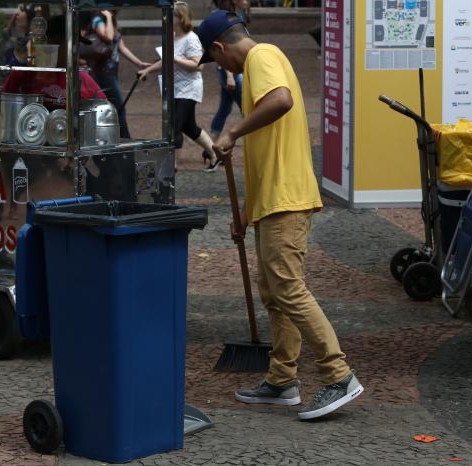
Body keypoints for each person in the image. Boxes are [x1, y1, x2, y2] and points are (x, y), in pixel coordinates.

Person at [198, 10, 363, 420]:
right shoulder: (259, 64)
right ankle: (281, 379)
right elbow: (267, 150)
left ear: (219, 48)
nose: (218, 67)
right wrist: (247, 215)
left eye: (214, 60)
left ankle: (338, 376)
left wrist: (233, 131)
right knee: (273, 291)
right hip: (273, 201)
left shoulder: (262, 56)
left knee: (288, 288)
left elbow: (282, 100)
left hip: (287, 198)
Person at [137, 1, 221, 171]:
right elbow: (165, 59)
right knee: (190, 127)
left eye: (171, 15)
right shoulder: (173, 37)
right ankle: (214, 154)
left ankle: (171, 164)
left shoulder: (192, 38)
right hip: (175, 88)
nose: (167, 18)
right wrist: (147, 71)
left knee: (174, 125)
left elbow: (199, 65)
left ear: (180, 17)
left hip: (189, 88)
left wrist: (175, 59)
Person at [84, 10, 151, 139]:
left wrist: (139, 63)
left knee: (115, 108)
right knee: (118, 107)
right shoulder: (98, 20)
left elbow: (121, 47)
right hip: (101, 71)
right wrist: (108, 17)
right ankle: (125, 140)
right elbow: (108, 37)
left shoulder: (111, 22)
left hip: (111, 72)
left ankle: (116, 139)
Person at [208, 0, 243, 147]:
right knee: (248, 109)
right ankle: (220, 146)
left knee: (224, 108)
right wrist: (230, 76)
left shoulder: (237, 13)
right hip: (231, 72)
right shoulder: (220, 16)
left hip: (231, 70)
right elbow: (225, 49)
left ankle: (211, 148)